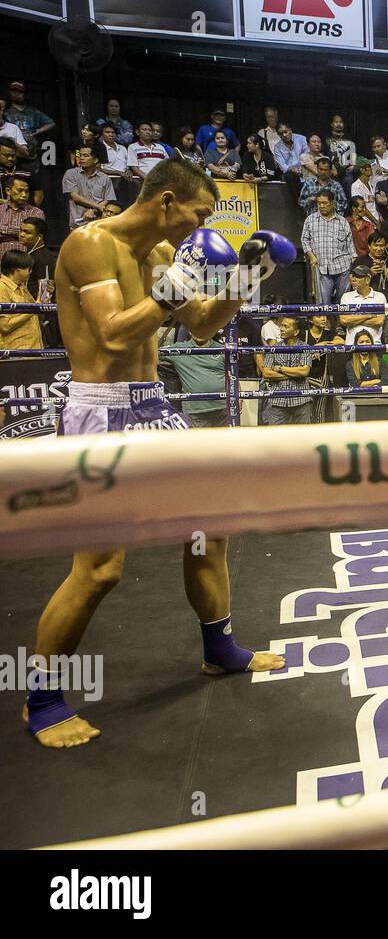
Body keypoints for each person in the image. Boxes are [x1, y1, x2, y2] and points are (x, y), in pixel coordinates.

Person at [28, 158, 291, 747]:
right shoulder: (88, 244)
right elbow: (115, 334)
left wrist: (247, 279)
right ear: (167, 201)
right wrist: (181, 284)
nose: (201, 226)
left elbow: (199, 326)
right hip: (100, 410)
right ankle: (42, 699)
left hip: (153, 404)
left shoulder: (163, 257)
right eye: (199, 214)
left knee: (211, 526)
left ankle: (219, 648)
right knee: (99, 570)